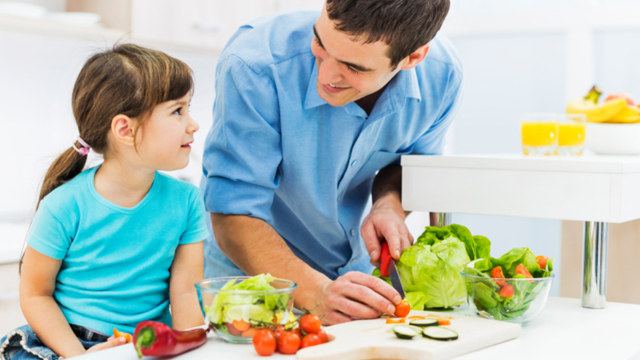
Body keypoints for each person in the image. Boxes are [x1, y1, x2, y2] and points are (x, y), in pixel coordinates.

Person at [202, 0, 462, 325]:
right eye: (320, 44)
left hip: (353, 279)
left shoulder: (443, 77)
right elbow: (233, 211)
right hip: (251, 279)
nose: (325, 76)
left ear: (412, 58)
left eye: (355, 68)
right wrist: (317, 293)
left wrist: (388, 206)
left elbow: (411, 164)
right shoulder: (255, 63)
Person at [0, 44, 209, 360]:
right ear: (125, 128)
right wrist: (82, 357)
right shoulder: (64, 205)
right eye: (178, 111)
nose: (193, 124)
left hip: (147, 346)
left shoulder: (187, 201)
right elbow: (35, 295)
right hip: (68, 346)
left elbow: (184, 293)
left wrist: (187, 353)